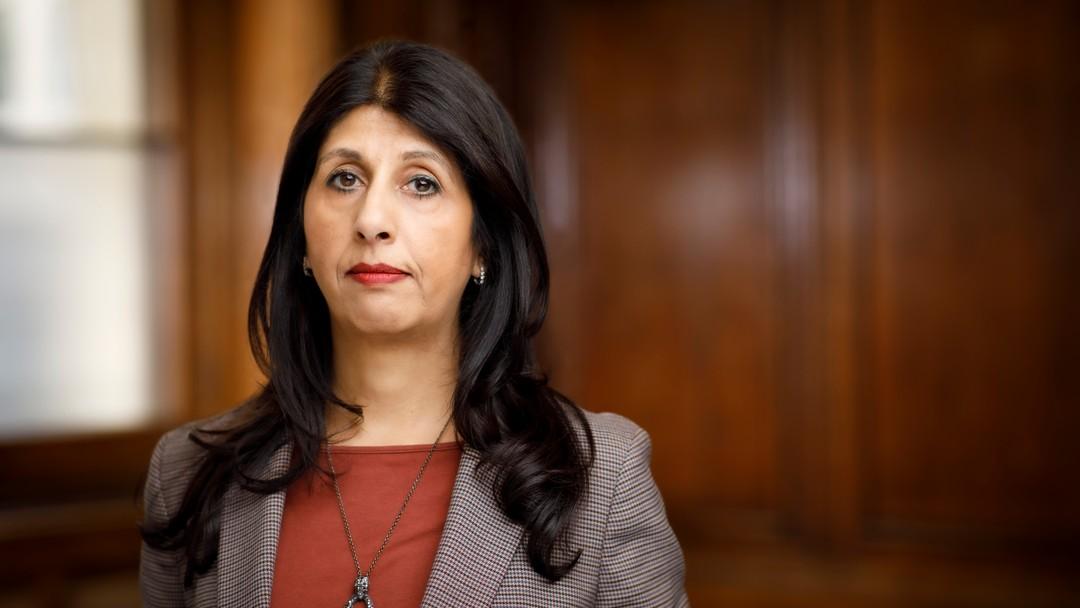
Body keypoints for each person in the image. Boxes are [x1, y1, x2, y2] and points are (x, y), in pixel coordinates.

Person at [138, 39, 689, 607]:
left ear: (484, 244)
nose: (372, 219)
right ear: (300, 233)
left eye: (421, 182)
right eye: (345, 178)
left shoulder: (601, 480)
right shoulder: (186, 475)